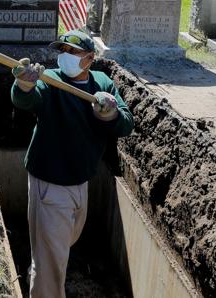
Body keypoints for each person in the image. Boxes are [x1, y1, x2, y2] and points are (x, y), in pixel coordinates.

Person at [10, 29, 134, 298]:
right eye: (62, 51)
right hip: (50, 184)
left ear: (89, 58)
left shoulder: (102, 84)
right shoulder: (51, 81)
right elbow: (28, 99)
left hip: (80, 181)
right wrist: (24, 85)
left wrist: (110, 113)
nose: (64, 57)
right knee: (50, 266)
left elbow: (126, 123)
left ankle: (39, 262)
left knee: (61, 244)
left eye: (72, 52)